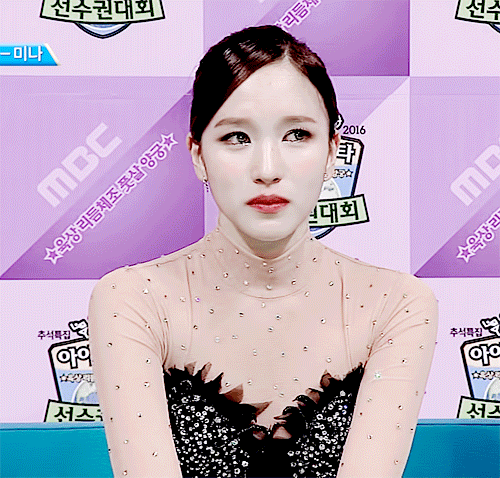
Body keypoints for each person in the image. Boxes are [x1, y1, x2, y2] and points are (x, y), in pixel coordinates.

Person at [88, 25, 438, 478]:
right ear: (197, 154)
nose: (267, 169)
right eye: (237, 137)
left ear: (333, 150)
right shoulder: (133, 299)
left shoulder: (397, 303)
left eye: (297, 134)